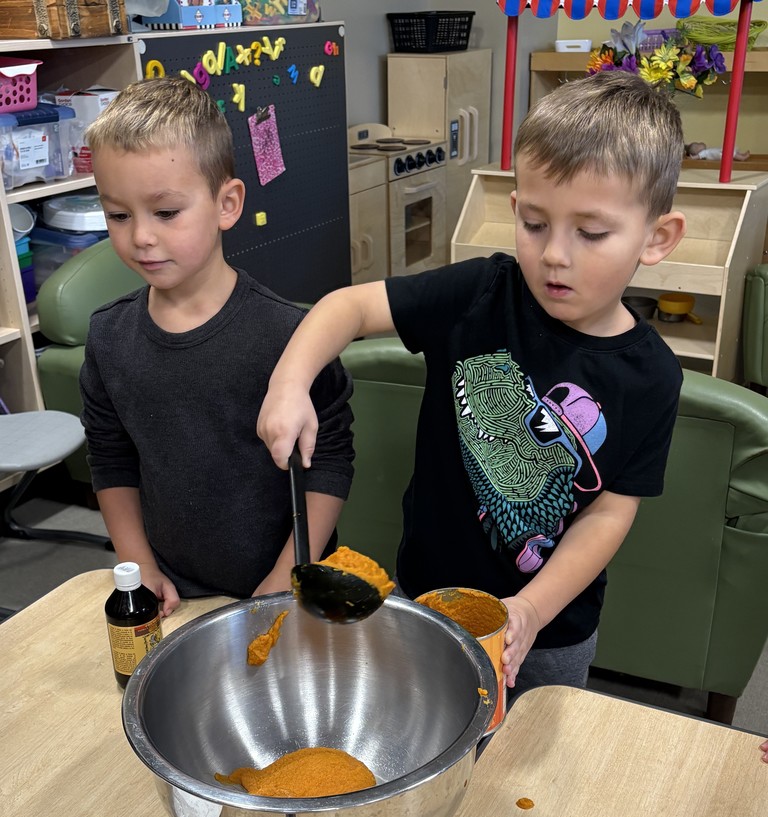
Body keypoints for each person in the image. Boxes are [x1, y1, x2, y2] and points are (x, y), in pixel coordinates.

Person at [257, 71, 687, 691]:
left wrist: (534, 608)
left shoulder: (651, 377)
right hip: (427, 597)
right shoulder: (480, 293)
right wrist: (289, 383)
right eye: (535, 224)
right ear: (514, 208)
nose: (555, 255)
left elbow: (609, 516)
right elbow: (345, 308)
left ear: (657, 237)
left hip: (548, 627)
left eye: (591, 233)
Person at [80, 77, 353, 615]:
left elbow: (330, 461)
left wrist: (283, 578)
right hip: (175, 595)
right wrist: (140, 569)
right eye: (118, 215)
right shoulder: (109, 337)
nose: (140, 237)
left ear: (227, 204)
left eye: (165, 213)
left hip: (287, 588)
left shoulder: (290, 337)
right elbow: (110, 461)